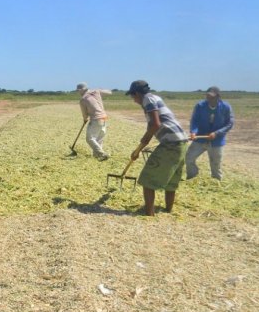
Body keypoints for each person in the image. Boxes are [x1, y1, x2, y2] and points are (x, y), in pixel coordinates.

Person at [125, 80, 189, 216]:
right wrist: (141, 146)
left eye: (133, 96)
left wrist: (145, 140)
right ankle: (168, 209)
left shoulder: (147, 100)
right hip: (181, 141)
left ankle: (149, 214)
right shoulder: (155, 98)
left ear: (137, 93)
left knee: (147, 179)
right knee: (171, 180)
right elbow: (153, 125)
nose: (133, 100)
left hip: (171, 143)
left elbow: (155, 124)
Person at [185, 86, 234, 180]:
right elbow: (194, 120)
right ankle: (192, 177)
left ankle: (216, 181)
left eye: (212, 97)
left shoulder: (226, 107)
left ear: (218, 97)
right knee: (189, 158)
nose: (209, 99)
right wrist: (193, 132)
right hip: (200, 138)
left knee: (215, 164)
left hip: (217, 140)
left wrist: (217, 133)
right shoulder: (200, 106)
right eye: (207, 96)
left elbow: (230, 123)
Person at [76, 82, 111, 160]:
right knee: (99, 138)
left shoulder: (83, 99)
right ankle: (97, 156)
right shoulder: (96, 92)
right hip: (104, 118)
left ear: (82, 90)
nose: (78, 92)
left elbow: (85, 114)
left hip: (96, 119)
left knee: (90, 138)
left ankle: (102, 154)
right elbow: (109, 92)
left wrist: (85, 119)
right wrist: (99, 90)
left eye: (78, 90)